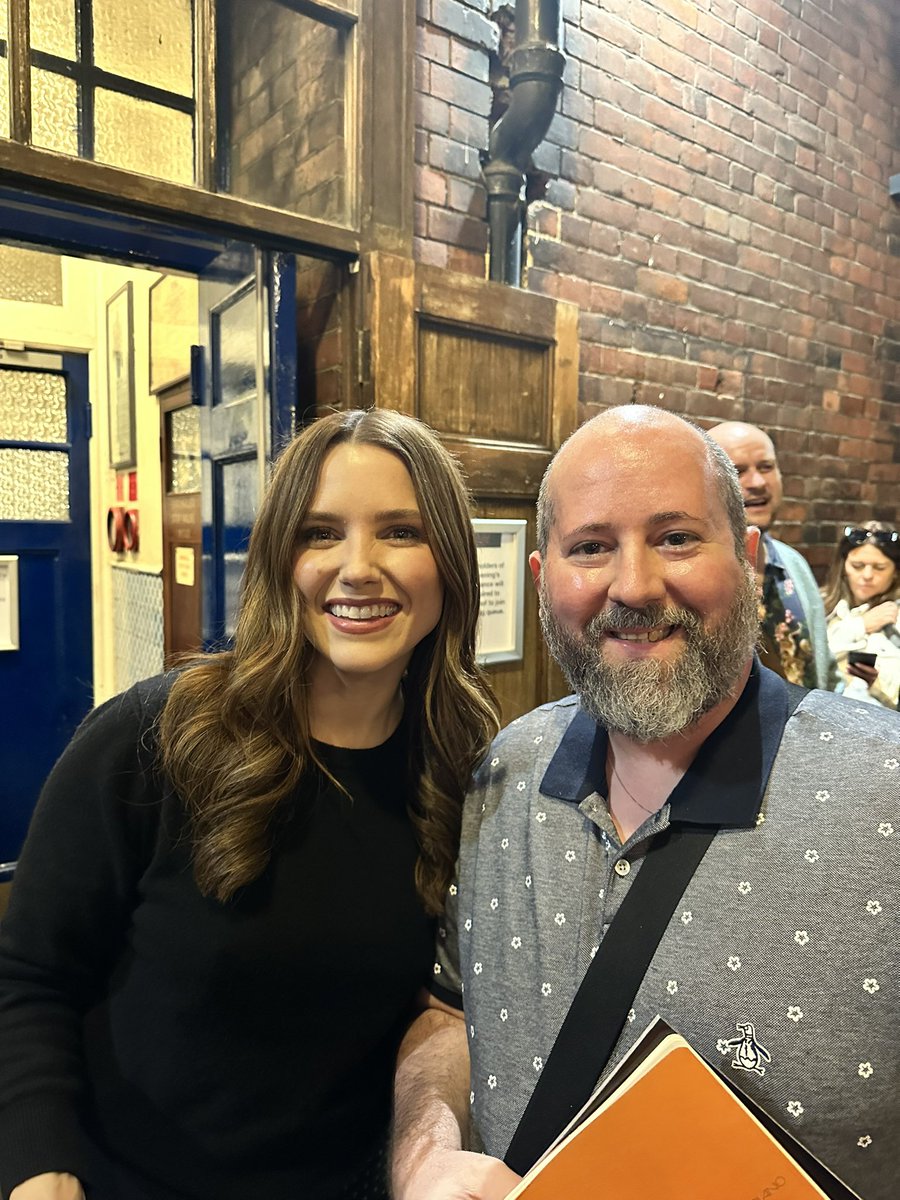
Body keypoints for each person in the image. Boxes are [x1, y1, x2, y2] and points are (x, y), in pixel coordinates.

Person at [391, 405, 899, 1200]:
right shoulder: (505, 774)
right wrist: (422, 1148)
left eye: (676, 538)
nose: (633, 586)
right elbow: (451, 1007)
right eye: (591, 547)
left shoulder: (885, 798)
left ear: (752, 558)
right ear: (540, 580)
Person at [0, 408, 499, 1200]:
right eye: (321, 533)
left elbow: (443, 1010)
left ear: (450, 562)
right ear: (279, 559)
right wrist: (40, 1169)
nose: (359, 567)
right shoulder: (158, 734)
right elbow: (27, 976)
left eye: (401, 531)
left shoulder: (465, 766)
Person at [707, 420, 837, 690]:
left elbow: (825, 670)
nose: (757, 482)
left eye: (766, 467)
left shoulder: (793, 564)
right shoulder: (692, 574)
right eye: (737, 470)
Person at [822, 521, 900, 709]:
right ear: (844, 567)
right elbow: (808, 658)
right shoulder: (820, 605)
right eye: (857, 566)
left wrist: (878, 681)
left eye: (879, 568)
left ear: (896, 572)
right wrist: (860, 626)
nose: (867, 575)